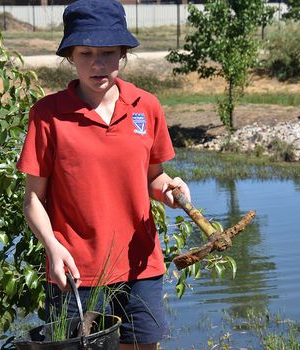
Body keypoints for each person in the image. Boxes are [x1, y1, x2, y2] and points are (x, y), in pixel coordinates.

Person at [17, 0, 190, 349]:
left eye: (109, 53)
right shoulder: (47, 115)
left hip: (141, 267)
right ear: (70, 56)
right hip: (75, 271)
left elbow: (152, 177)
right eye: (86, 53)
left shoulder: (147, 106)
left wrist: (168, 189)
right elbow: (33, 200)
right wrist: (52, 247)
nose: (98, 64)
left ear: (123, 53)